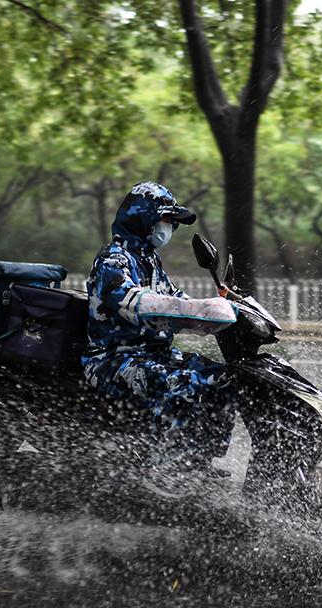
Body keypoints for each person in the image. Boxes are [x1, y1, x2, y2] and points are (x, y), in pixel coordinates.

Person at [82, 182, 237, 483]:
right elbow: (136, 302)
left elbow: (177, 300)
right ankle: (163, 462)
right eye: (166, 220)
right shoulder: (113, 260)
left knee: (224, 378)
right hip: (114, 359)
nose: (169, 228)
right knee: (184, 382)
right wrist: (197, 310)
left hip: (154, 354)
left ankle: (198, 458)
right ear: (143, 218)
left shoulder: (150, 261)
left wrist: (223, 308)